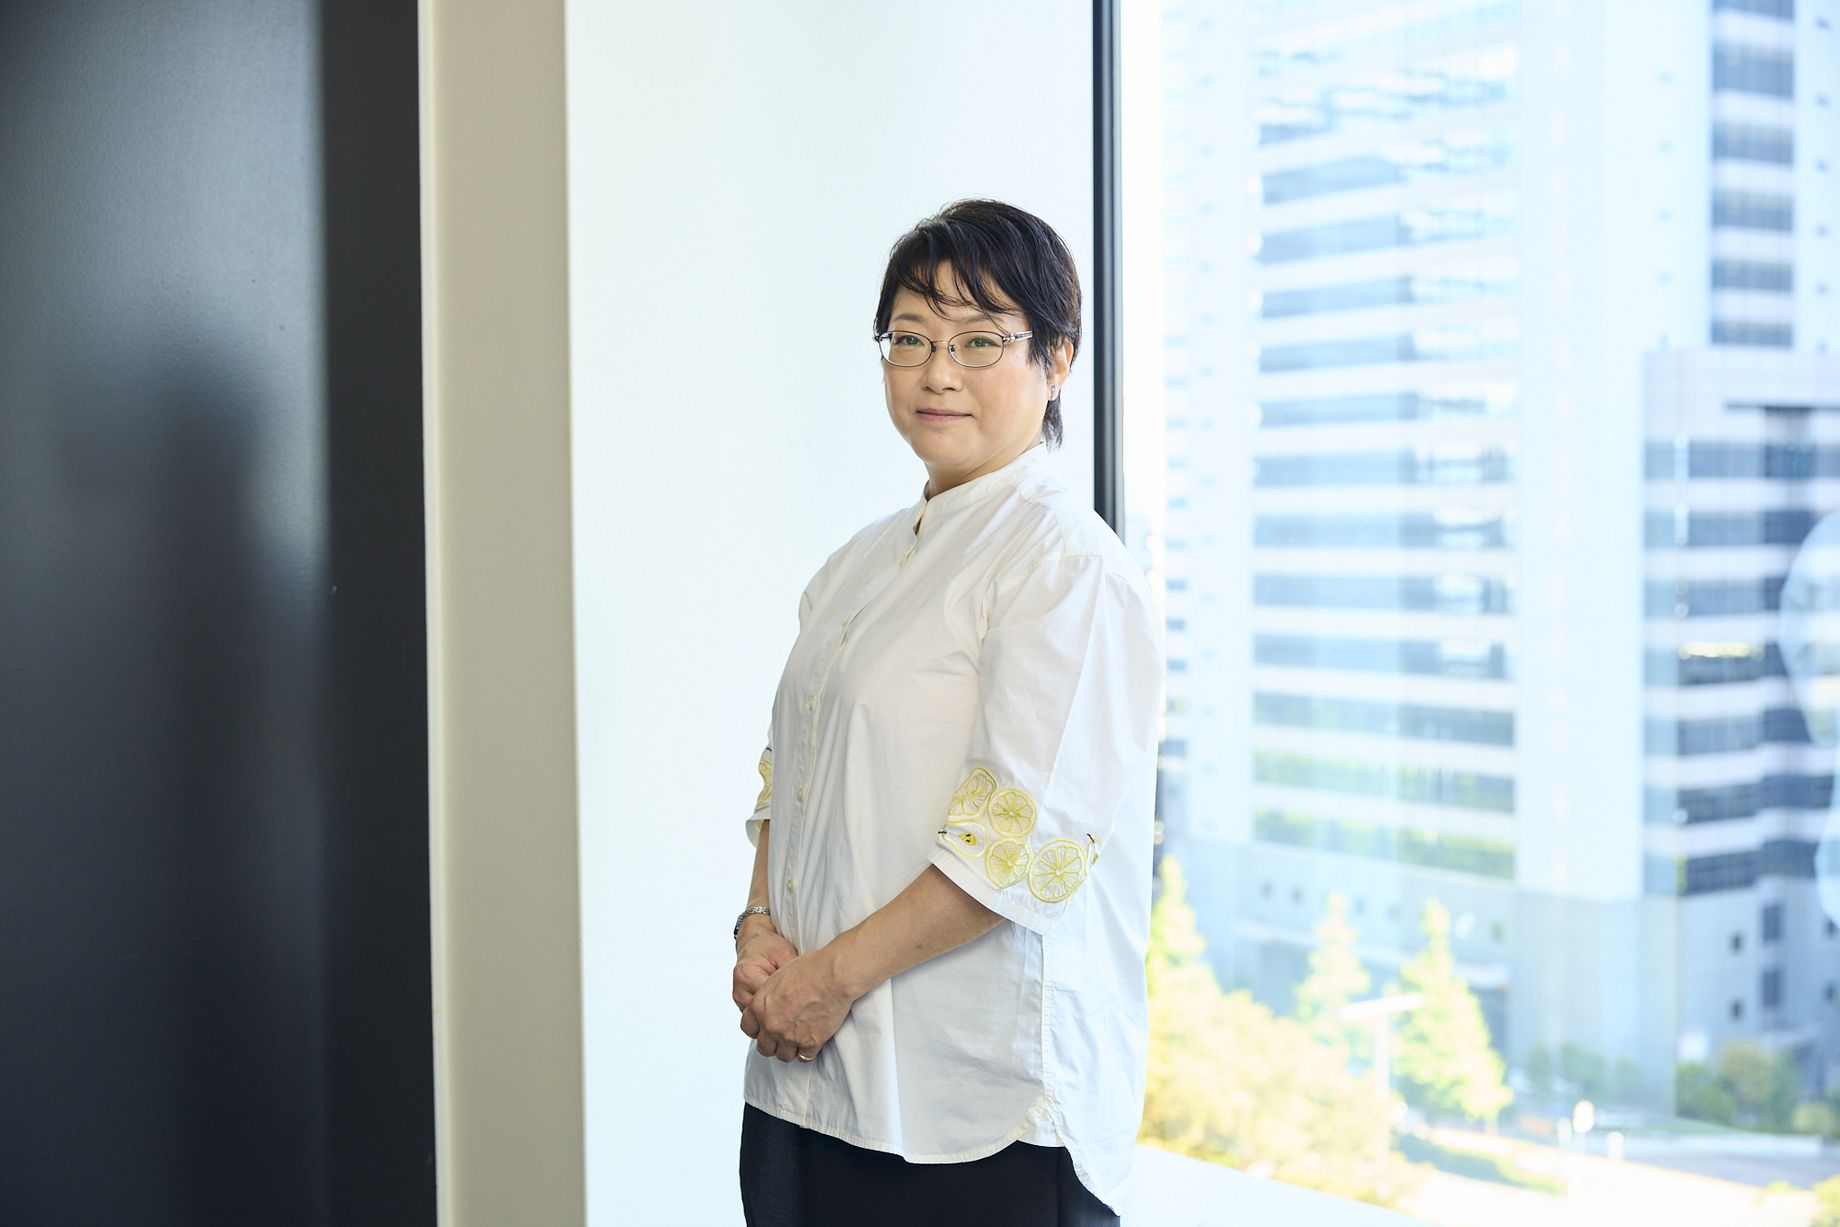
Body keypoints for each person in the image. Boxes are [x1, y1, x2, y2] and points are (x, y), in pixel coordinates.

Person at [730, 199, 1163, 1227]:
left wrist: (827, 982)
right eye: (911, 338)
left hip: (977, 1108)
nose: (936, 372)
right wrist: (758, 932)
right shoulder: (862, 560)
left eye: (978, 341)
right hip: (808, 1080)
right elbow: (792, 773)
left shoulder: (1065, 567)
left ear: (1056, 360)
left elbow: (1012, 847)